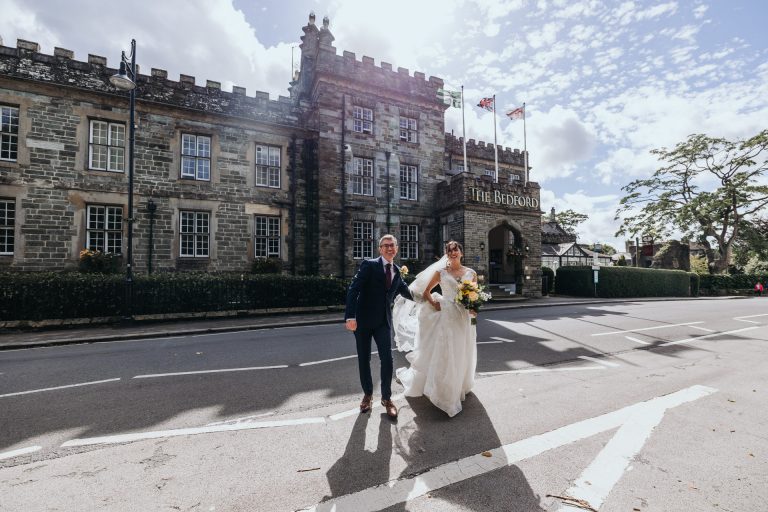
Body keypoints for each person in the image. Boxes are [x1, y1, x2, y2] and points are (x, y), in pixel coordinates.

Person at [393, 240, 478, 417]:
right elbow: (425, 292)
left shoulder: (471, 273)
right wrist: (434, 303)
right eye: (449, 251)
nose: (453, 253)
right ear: (447, 254)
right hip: (446, 316)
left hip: (463, 317)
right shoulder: (441, 273)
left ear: (461, 253)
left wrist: (473, 309)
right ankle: (445, 393)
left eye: (456, 250)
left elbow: (473, 297)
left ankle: (459, 384)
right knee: (447, 351)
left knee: (462, 349)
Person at [345, 234, 413, 419]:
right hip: (363, 321)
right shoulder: (370, 265)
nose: (390, 248)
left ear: (397, 249)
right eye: (386, 245)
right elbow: (354, 289)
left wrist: (430, 300)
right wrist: (350, 316)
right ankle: (367, 395)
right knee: (364, 359)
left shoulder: (397, 271)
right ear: (380, 249)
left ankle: (386, 398)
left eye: (393, 245)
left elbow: (407, 292)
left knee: (388, 359)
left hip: (383, 322)